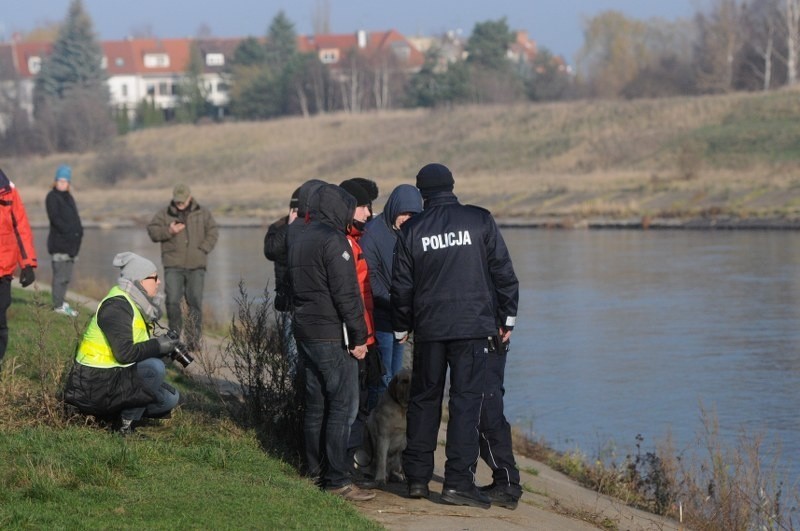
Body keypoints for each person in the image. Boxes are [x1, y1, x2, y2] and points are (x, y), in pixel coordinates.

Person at [392, 163, 519, 508]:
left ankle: (417, 479)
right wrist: (507, 318)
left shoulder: (412, 230)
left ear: (422, 193)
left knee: (423, 400)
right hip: (473, 329)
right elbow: (504, 273)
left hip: (430, 329)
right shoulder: (479, 220)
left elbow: (401, 287)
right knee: (465, 403)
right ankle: (458, 483)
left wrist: (401, 326)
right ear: (452, 186)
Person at [287, 183, 375, 502]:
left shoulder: (298, 236)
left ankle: (314, 471)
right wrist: (359, 337)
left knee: (315, 405)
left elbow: (289, 287)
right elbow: (347, 294)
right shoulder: (334, 240)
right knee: (342, 406)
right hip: (331, 334)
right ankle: (337, 479)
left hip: (305, 332)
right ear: (339, 209)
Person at [62, 252, 180, 436]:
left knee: (169, 399)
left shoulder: (136, 304)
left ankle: (111, 416)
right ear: (140, 281)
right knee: (154, 369)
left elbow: (137, 349)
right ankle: (124, 428)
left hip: (112, 376)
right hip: (92, 384)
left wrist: (167, 349)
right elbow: (125, 354)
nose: (158, 282)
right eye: (154, 278)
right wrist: (157, 346)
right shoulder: (117, 307)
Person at [360, 184, 422, 402]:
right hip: (382, 318)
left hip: (405, 318)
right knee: (383, 378)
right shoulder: (373, 234)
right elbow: (370, 277)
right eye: (403, 213)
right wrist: (395, 302)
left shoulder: (415, 233)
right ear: (393, 209)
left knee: (399, 377)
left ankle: (393, 425)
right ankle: (375, 426)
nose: (407, 218)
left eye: (413, 214)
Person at [339, 179, 380, 471]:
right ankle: (345, 463)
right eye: (365, 206)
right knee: (350, 404)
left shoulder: (353, 239)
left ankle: (347, 459)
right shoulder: (343, 243)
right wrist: (360, 338)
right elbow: (349, 296)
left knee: (359, 399)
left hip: (364, 334)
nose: (369, 213)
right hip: (354, 338)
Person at [147, 183, 218, 351]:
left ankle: (193, 341)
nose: (179, 204)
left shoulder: (203, 213)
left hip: (197, 265)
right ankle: (173, 339)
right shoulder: (164, 214)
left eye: (182, 201)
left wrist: (203, 249)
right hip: (173, 264)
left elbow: (213, 232)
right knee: (172, 301)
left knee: (194, 302)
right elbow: (152, 232)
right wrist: (168, 231)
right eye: (177, 201)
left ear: (189, 198)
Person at [0, 167, 37, 366]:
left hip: (4, 268)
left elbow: (21, 227)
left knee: (0, 317)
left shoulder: (8, 189)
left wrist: (28, 264)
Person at [264, 186, 301, 376]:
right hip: (286, 298)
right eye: (294, 210)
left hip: (305, 299)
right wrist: (289, 229)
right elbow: (270, 251)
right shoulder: (279, 227)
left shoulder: (311, 228)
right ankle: (294, 387)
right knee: (290, 348)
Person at [46, 164, 83, 317]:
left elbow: (75, 218)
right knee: (60, 276)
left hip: (72, 246)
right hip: (59, 244)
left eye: (65, 181)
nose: (62, 183)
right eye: (60, 180)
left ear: (68, 183)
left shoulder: (69, 197)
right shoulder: (52, 197)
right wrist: (69, 232)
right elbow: (55, 219)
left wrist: (79, 232)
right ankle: (57, 305)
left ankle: (62, 302)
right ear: (56, 181)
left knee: (67, 277)